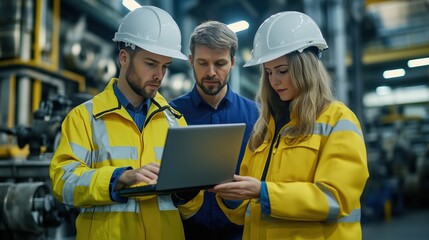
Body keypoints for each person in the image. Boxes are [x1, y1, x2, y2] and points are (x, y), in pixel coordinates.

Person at [211, 11, 369, 240]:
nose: (274, 80)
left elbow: (336, 199)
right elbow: (245, 210)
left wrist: (264, 192)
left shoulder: (338, 120)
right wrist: (230, 196)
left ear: (305, 67)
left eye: (282, 71)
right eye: (268, 72)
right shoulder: (264, 129)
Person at [49, 6, 202, 240]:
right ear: (123, 58)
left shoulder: (175, 121)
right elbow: (63, 183)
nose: (159, 75)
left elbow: (189, 208)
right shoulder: (85, 117)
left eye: (165, 66)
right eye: (150, 64)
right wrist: (118, 178)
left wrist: (188, 194)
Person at [169, 21, 259, 239]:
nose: (211, 72)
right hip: (183, 232)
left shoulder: (256, 117)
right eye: (202, 63)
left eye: (220, 63)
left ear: (233, 63)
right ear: (191, 61)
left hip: (241, 233)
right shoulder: (168, 115)